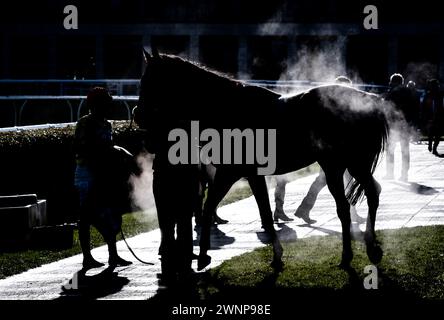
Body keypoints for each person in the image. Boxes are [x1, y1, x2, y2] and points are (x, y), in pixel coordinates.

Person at [274, 76, 365, 224]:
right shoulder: (331, 106)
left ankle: (305, 209)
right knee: (340, 183)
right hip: (332, 153)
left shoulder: (337, 105)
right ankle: (347, 213)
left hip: (334, 152)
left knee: (327, 182)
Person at [74, 87, 132, 269]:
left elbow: (109, 146)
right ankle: (87, 257)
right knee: (86, 215)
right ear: (94, 105)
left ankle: (113, 255)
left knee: (111, 212)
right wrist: (113, 151)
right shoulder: (85, 123)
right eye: (104, 103)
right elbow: (85, 149)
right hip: (88, 173)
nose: (107, 107)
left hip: (104, 174)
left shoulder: (107, 125)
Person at [383, 73, 417, 181]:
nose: (390, 83)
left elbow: (386, 108)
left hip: (393, 124)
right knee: (405, 150)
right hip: (405, 125)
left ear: (394, 82)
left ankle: (390, 173)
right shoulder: (409, 93)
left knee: (390, 149)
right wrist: (411, 123)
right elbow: (414, 109)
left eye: (392, 82)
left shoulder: (392, 93)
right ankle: (404, 174)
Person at [421, 79, 444, 156]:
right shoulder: (428, 95)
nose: (435, 87)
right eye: (433, 86)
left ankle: (434, 148)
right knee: (431, 132)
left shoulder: (440, 95)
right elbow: (424, 106)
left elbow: (442, 105)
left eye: (436, 86)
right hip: (429, 116)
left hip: (439, 117)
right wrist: (424, 116)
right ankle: (430, 143)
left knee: (438, 134)